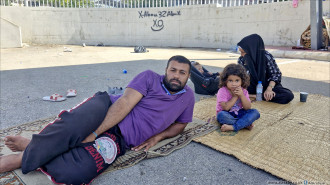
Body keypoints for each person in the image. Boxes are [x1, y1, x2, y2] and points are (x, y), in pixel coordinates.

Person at [0, 55, 195, 185]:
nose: (176, 76)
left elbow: (181, 124)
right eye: (173, 70)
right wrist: (94, 132)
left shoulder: (188, 98)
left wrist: (158, 137)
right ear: (166, 70)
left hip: (122, 139)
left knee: (76, 172)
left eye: (182, 72)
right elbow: (125, 103)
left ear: (188, 76)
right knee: (74, 126)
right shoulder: (150, 78)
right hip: (106, 108)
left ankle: (35, 147)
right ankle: (21, 158)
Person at [237, 34, 294, 104]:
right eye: (240, 52)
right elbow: (239, 76)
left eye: (243, 52)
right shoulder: (242, 59)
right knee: (223, 85)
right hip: (250, 87)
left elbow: (276, 74)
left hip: (266, 86)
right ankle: (253, 95)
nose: (241, 55)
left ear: (252, 50)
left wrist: (269, 89)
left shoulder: (266, 57)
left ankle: (256, 96)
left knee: (288, 95)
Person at [216, 63, 260, 132]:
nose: (234, 84)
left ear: (242, 81)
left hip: (239, 113)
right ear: (225, 81)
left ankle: (234, 127)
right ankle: (244, 124)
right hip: (227, 114)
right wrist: (235, 96)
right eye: (230, 80)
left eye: (237, 80)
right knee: (221, 115)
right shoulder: (222, 91)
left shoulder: (244, 91)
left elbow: (247, 107)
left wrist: (242, 95)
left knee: (255, 112)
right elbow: (226, 108)